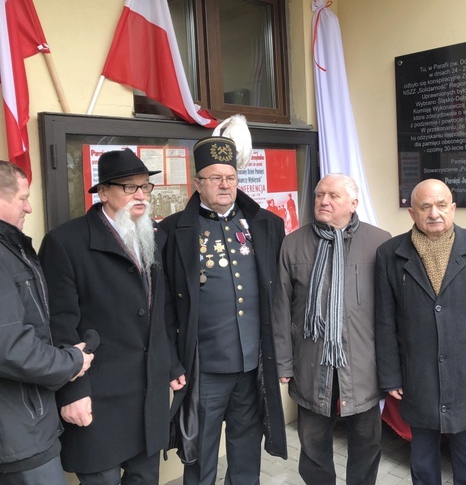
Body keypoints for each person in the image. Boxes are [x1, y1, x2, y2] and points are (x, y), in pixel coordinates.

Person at [160, 116, 287, 485]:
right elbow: (166, 306)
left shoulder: (266, 225)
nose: (224, 185)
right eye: (215, 178)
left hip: (252, 364)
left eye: (230, 178)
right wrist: (173, 363)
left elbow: (279, 295)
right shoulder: (173, 231)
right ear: (197, 183)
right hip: (205, 367)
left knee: (247, 448)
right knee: (198, 452)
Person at [38, 149, 174, 485]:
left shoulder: (154, 236)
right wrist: (72, 393)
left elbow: (160, 313)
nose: (140, 195)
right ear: (103, 192)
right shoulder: (66, 242)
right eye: (129, 187)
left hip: (147, 393)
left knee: (144, 478)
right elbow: (59, 325)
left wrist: (171, 366)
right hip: (97, 395)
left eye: (145, 186)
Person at [375, 178, 466, 485]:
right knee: (425, 467)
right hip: (419, 379)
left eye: (441, 205)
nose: (434, 213)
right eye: (425, 206)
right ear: (412, 213)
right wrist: (390, 375)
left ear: (453, 208)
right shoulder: (390, 254)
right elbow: (385, 321)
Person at [272, 173, 391, 485]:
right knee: (313, 446)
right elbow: (281, 307)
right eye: (319, 195)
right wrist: (283, 361)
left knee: (366, 443)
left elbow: (391, 313)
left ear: (353, 203)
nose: (323, 201)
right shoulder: (293, 243)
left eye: (333, 196)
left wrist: (393, 368)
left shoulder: (379, 242)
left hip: (363, 366)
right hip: (311, 364)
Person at [0, 161, 93, 485]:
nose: (29, 206)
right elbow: (10, 347)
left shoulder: (10, 249)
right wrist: (72, 361)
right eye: (22, 197)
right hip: (18, 432)